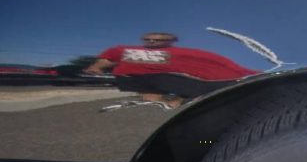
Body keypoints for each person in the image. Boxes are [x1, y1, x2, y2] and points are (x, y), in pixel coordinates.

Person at [85, 32, 260, 107]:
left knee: (187, 89)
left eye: (157, 40)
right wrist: (95, 69)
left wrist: (240, 71)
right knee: (151, 98)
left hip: (168, 77)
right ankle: (164, 102)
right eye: (148, 39)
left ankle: (178, 100)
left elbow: (208, 60)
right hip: (134, 77)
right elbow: (108, 58)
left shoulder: (180, 53)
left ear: (170, 41)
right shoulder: (126, 50)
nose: (152, 42)